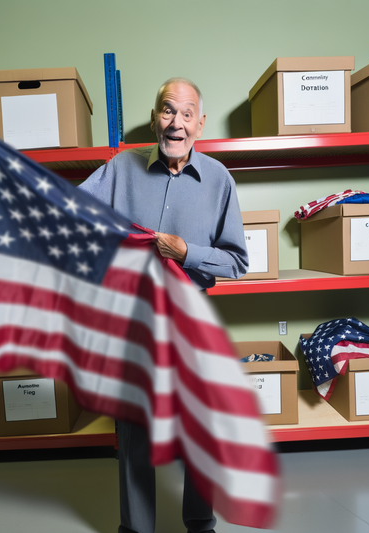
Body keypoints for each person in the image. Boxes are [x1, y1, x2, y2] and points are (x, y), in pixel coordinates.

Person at [79, 77, 248, 533]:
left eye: (186, 113)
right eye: (168, 110)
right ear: (155, 117)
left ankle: (200, 523)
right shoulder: (120, 169)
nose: (176, 123)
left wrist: (187, 253)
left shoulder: (219, 180)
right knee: (134, 426)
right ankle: (136, 528)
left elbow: (237, 261)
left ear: (200, 123)